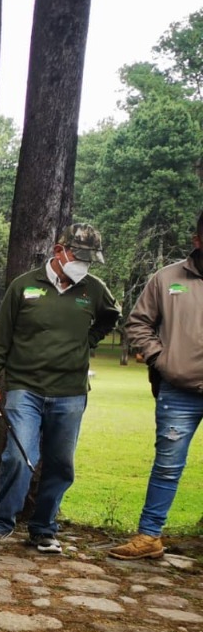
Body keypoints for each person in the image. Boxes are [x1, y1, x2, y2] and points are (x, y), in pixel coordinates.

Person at [0, 223, 120, 553]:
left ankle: (43, 529)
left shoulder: (94, 289)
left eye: (89, 260)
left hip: (71, 391)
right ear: (59, 251)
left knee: (61, 463)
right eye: (79, 258)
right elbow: (0, 338)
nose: (84, 266)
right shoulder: (24, 286)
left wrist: (89, 340)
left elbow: (112, 316)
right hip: (25, 387)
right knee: (19, 456)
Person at [110, 211, 203, 560]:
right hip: (178, 391)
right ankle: (149, 537)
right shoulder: (167, 279)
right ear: (197, 240)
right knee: (167, 466)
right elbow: (138, 323)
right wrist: (161, 359)